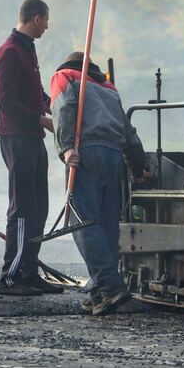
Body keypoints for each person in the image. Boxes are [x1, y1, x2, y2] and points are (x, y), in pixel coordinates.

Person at [49, 52, 146, 316]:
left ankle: (110, 286)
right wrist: (138, 165)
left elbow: (63, 109)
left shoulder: (64, 76)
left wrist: (67, 147)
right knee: (106, 225)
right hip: (114, 157)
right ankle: (99, 292)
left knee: (82, 221)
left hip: (86, 152)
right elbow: (128, 130)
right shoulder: (108, 87)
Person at [0, 0, 61, 297]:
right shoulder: (9, 52)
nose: (47, 26)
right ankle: (10, 277)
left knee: (39, 207)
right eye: (46, 20)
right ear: (35, 18)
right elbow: (6, 102)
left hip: (33, 138)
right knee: (21, 208)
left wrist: (55, 108)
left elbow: (35, 93)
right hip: (17, 137)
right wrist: (41, 120)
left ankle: (29, 271)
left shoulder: (26, 49)